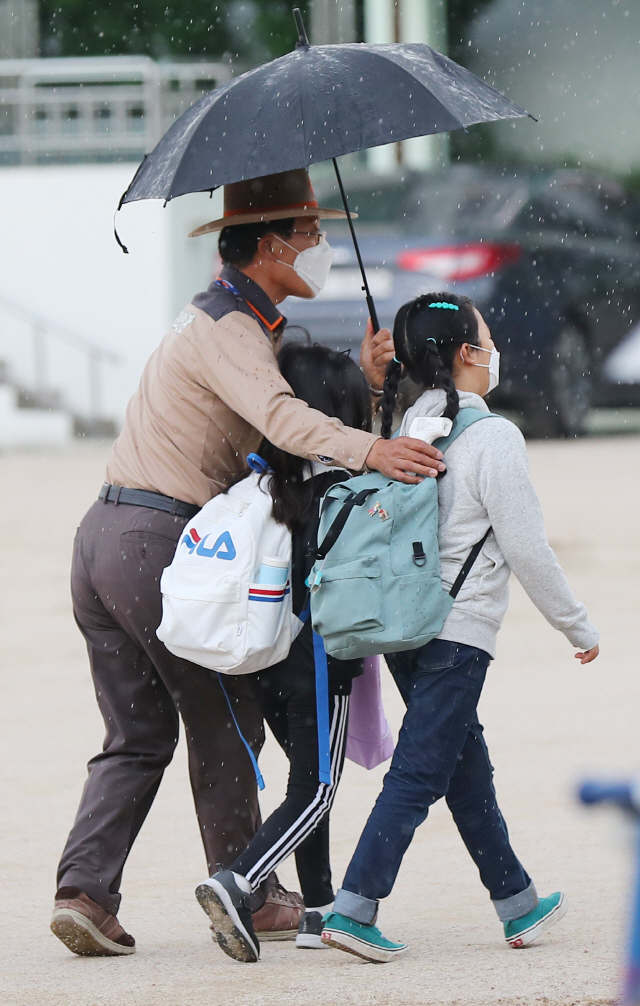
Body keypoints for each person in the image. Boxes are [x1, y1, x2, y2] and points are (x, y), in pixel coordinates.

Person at [50, 168, 445, 958]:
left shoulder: (221, 321)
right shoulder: (230, 329)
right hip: (156, 543)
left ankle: (85, 892)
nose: (321, 248)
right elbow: (277, 416)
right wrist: (373, 445)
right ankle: (251, 890)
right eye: (309, 235)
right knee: (227, 717)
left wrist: (365, 383)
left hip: (104, 538)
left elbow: (274, 410)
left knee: (135, 733)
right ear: (270, 246)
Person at [321, 292, 600, 963]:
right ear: (470, 355)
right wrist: (576, 626)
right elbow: (527, 547)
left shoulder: (411, 425)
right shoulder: (495, 438)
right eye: (488, 337)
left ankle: (517, 902)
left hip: (406, 630)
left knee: (464, 768)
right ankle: (355, 907)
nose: (495, 348)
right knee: (420, 772)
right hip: (458, 633)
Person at [195, 342, 370, 964]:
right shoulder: (345, 491)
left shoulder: (261, 481)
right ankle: (238, 882)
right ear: (341, 413)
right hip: (319, 665)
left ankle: (317, 908)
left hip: (263, 658)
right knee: (317, 789)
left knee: (303, 781)